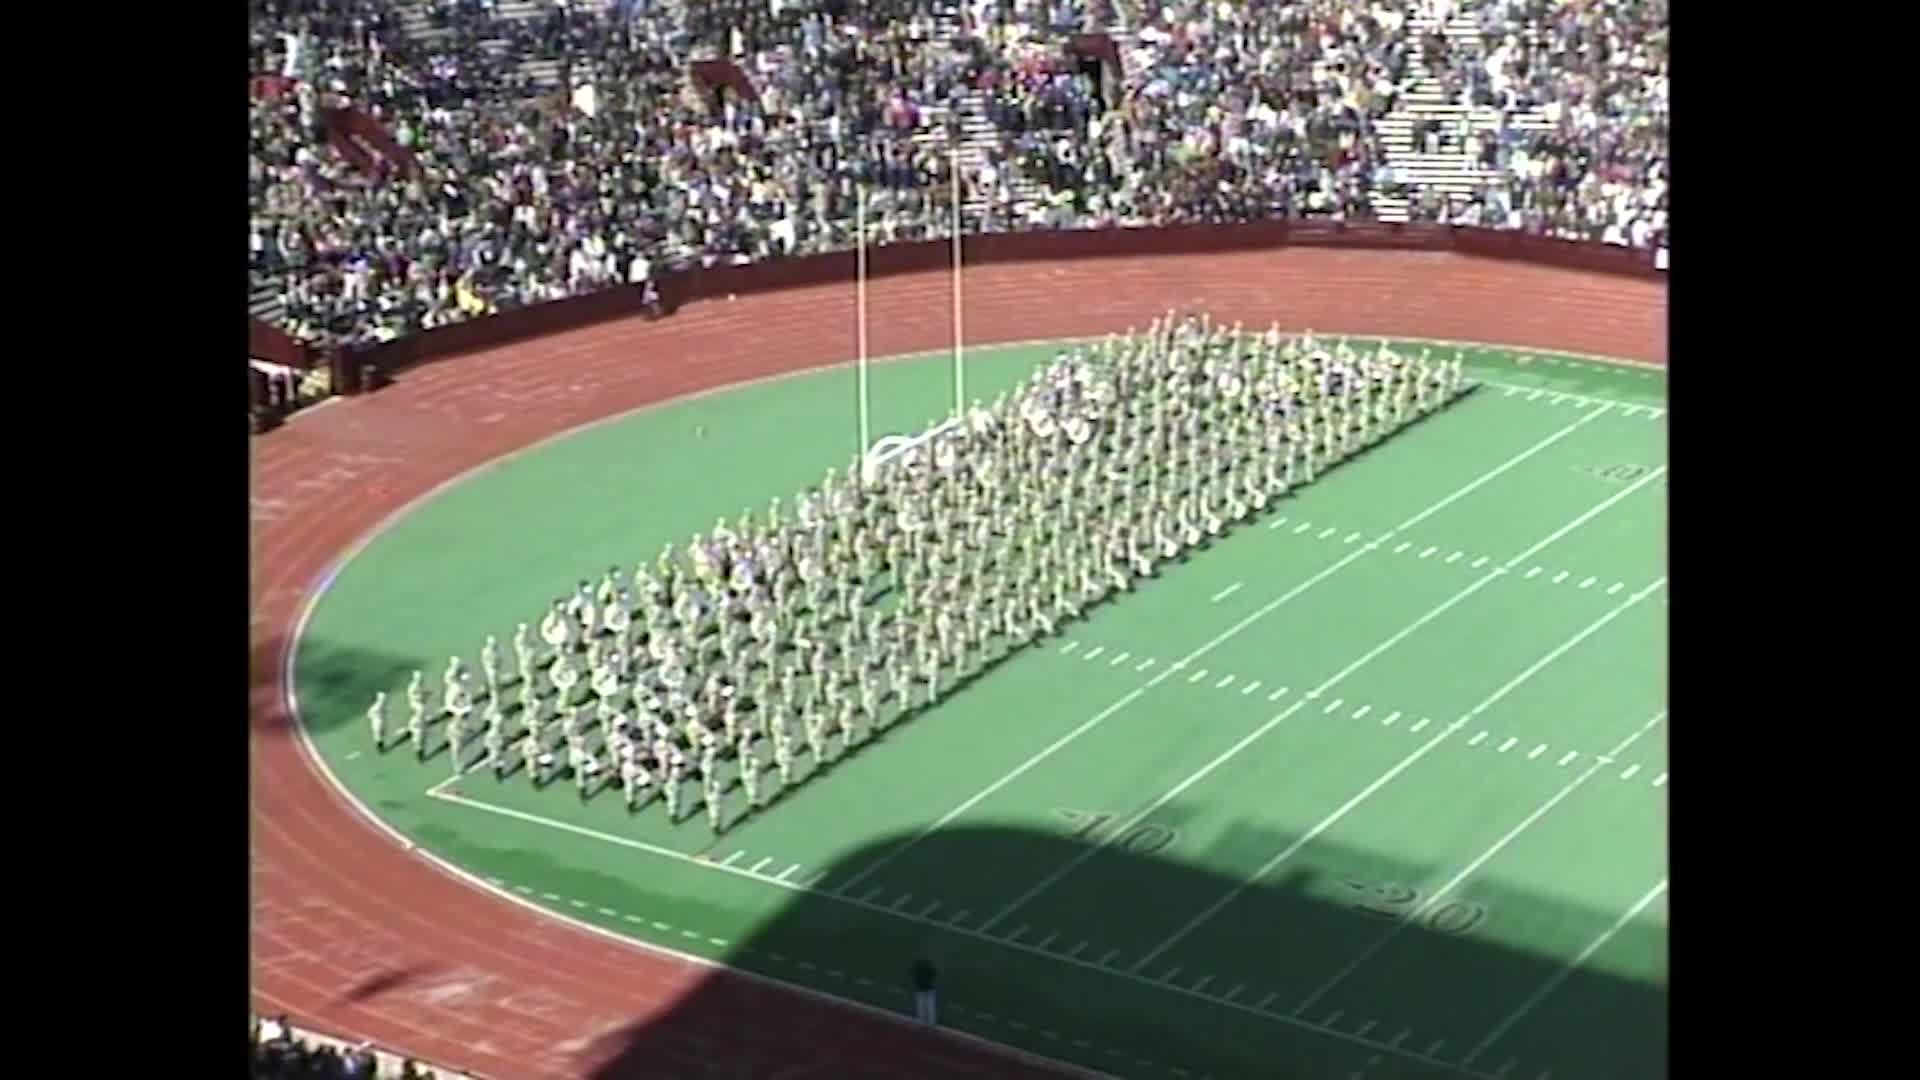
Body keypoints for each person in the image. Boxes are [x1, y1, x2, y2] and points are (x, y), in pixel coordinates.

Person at [911, 956, 939, 1025]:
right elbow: (934, 975)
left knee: (920, 1006)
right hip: (929, 989)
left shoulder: (918, 970)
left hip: (920, 990)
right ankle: (931, 1021)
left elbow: (912, 973)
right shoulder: (930, 970)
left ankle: (921, 1020)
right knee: (930, 1006)